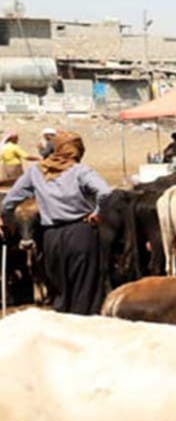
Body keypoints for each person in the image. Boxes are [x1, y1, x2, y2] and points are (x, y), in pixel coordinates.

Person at [1, 131, 113, 314]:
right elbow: (105, 192)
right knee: (85, 290)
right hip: (81, 233)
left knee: (60, 290)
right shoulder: (80, 171)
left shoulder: (36, 172)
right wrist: (98, 213)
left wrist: (9, 222)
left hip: (51, 238)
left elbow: (8, 203)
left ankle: (61, 333)